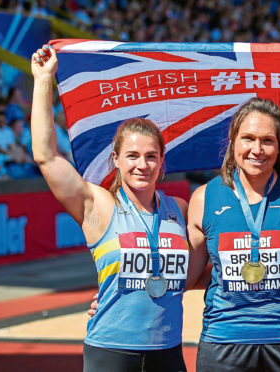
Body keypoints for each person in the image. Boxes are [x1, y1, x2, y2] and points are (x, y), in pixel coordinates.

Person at [31, 44, 190, 372]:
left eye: (151, 156)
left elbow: (201, 269)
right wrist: (43, 80)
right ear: (115, 160)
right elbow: (46, 156)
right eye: (132, 156)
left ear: (162, 163)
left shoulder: (180, 209)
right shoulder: (98, 204)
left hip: (169, 350)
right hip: (111, 351)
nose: (142, 165)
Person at [187, 97, 280, 372]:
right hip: (225, 343)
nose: (257, 149)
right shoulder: (204, 198)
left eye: (267, 140)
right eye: (248, 138)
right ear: (233, 140)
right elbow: (186, 276)